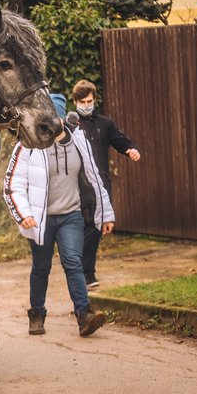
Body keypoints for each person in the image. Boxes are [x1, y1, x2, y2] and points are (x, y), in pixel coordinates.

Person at [3, 93, 115, 338]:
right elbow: (13, 184)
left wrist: (106, 214)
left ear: (61, 118)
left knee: (73, 262)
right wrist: (24, 215)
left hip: (70, 215)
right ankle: (37, 315)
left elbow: (95, 179)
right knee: (41, 267)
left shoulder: (79, 141)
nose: (49, 125)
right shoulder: (28, 144)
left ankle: (84, 315)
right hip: (40, 220)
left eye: (54, 118)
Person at [69, 79, 139, 289]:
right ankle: (80, 271)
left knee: (97, 226)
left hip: (101, 183)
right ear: (75, 102)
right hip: (78, 185)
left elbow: (120, 140)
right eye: (82, 101)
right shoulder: (71, 126)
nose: (87, 104)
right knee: (84, 226)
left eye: (89, 100)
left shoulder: (105, 124)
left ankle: (87, 273)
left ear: (95, 99)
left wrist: (130, 149)